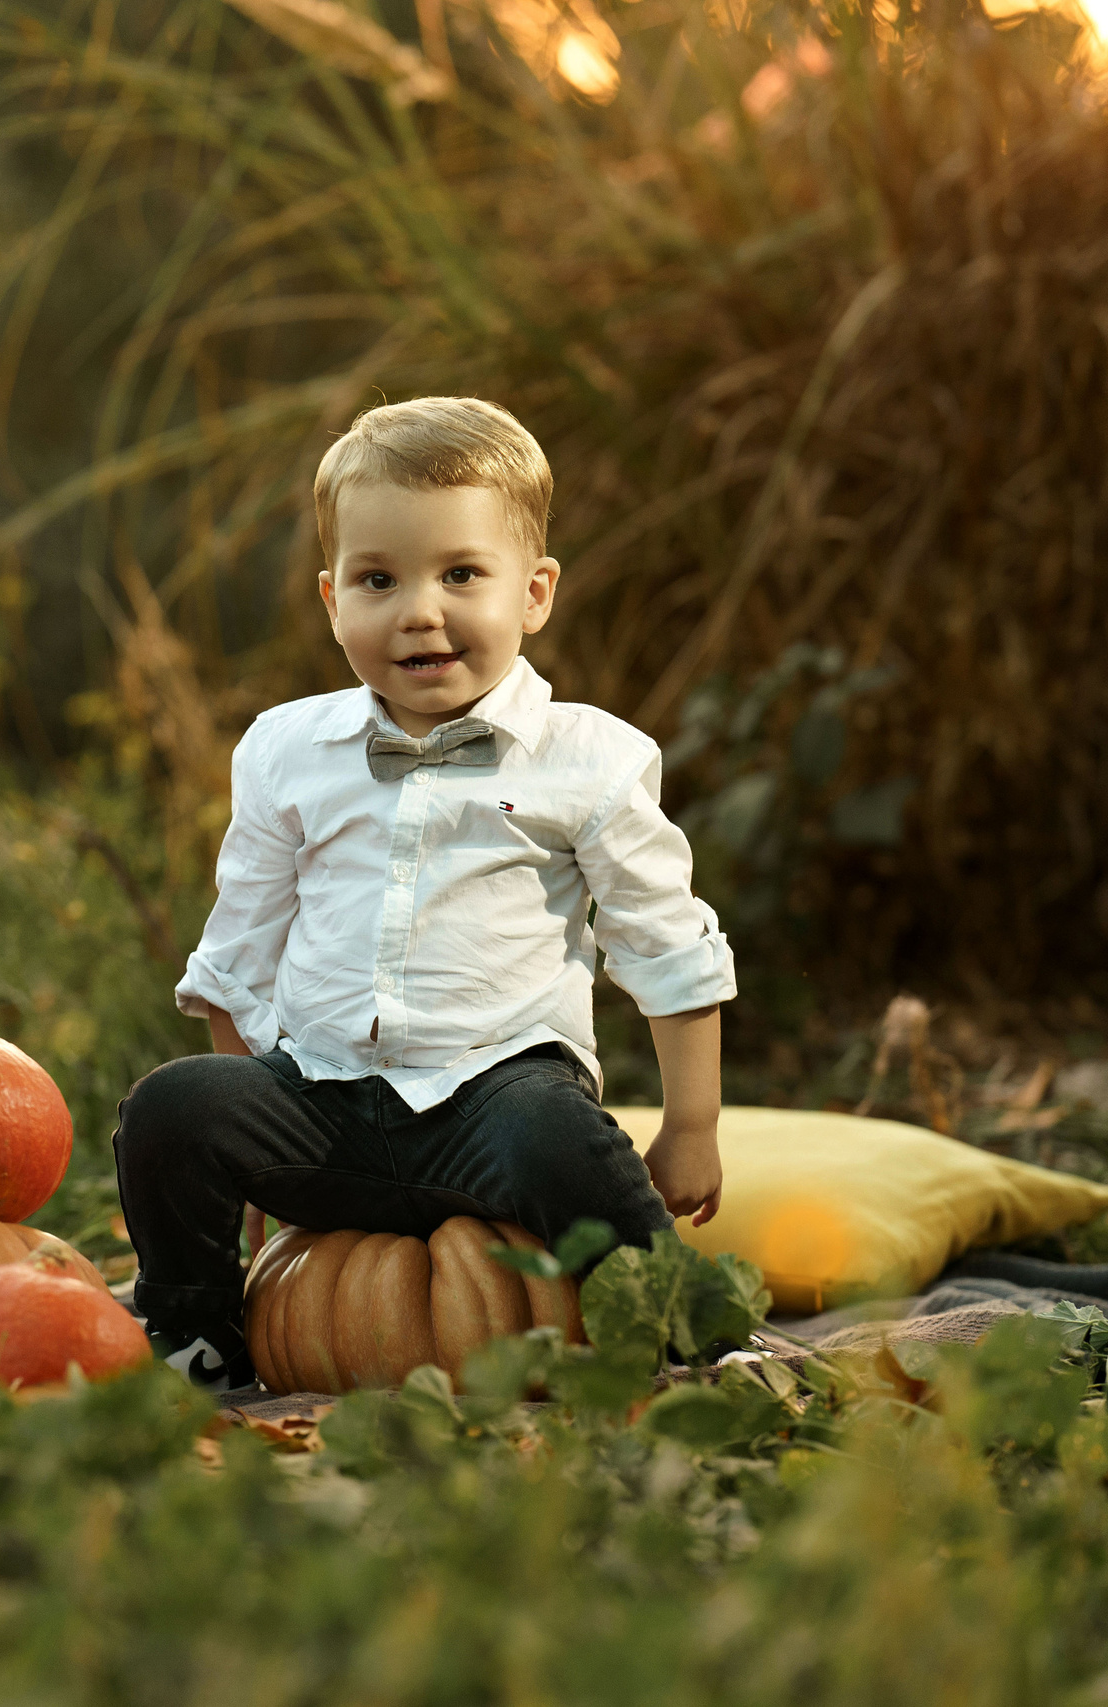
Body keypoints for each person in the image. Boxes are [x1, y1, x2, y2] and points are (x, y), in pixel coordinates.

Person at [115, 397, 736, 1391]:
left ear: (532, 594)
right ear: (331, 601)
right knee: (173, 1110)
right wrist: (254, 1122)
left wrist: (692, 1123)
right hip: (320, 1107)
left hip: (491, 1109)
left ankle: (689, 1333)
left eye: (460, 575)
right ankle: (197, 1332)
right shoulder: (285, 751)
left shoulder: (593, 760)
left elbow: (662, 941)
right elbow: (240, 951)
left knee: (563, 1142)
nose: (417, 609)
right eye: (377, 579)